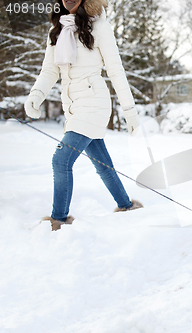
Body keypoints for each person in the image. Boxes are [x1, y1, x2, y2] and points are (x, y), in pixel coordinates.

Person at [24, 0, 142, 230]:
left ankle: (58, 219)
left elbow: (116, 70)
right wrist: (36, 95)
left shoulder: (99, 27)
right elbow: (50, 69)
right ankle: (126, 206)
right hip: (73, 106)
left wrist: (130, 110)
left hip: (94, 103)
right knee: (102, 164)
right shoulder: (57, 29)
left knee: (61, 160)